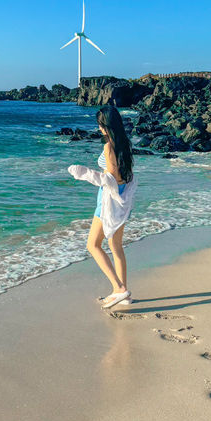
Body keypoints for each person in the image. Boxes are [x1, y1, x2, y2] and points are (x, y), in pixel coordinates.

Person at [67, 104, 136, 309]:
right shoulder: (125, 143)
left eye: (100, 125)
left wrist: (85, 174)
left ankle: (119, 289)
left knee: (93, 245)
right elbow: (123, 176)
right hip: (123, 198)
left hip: (108, 201)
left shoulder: (109, 146)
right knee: (116, 247)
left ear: (106, 126)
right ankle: (123, 293)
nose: (98, 129)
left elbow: (111, 177)